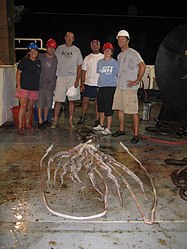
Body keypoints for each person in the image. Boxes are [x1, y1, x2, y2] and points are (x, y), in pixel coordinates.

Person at [112, 30, 146, 143]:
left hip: (129, 88)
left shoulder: (133, 53)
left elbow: (142, 66)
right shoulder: (119, 55)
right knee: (119, 108)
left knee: (133, 110)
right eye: (119, 39)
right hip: (120, 86)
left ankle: (136, 134)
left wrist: (137, 80)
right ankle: (121, 129)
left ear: (127, 40)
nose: (120, 41)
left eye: (123, 39)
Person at [51, 31, 83, 129]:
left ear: (73, 39)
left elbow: (79, 66)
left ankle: (70, 120)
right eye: (68, 36)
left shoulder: (77, 50)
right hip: (60, 76)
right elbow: (53, 60)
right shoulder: (59, 48)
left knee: (71, 101)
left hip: (72, 77)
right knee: (58, 100)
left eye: (72, 37)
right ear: (65, 37)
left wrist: (77, 80)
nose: (69, 38)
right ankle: (55, 121)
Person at [93, 42, 119, 135]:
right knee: (101, 107)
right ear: (103, 51)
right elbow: (99, 74)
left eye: (109, 50)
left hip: (110, 87)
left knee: (109, 107)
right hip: (101, 87)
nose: (107, 52)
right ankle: (101, 124)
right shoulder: (99, 62)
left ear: (112, 52)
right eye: (106, 50)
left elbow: (117, 75)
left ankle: (108, 127)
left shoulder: (115, 63)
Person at [15, 42, 41, 135]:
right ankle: (20, 126)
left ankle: (27, 124)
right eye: (31, 51)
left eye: (35, 50)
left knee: (30, 107)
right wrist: (18, 85)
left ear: (37, 52)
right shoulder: (24, 61)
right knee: (23, 105)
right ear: (29, 52)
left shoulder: (38, 62)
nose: (33, 52)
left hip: (34, 88)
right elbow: (18, 73)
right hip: (24, 87)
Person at [77, 40, 104, 126]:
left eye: (96, 45)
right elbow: (83, 71)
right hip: (88, 83)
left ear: (99, 46)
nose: (95, 47)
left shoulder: (103, 57)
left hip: (99, 84)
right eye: (93, 45)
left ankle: (97, 119)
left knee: (97, 102)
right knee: (85, 100)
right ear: (91, 46)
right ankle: (83, 116)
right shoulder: (87, 58)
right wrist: (82, 84)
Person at [36, 38, 58, 129]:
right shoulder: (41, 57)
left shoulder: (56, 58)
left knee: (47, 104)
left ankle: (45, 120)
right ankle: (40, 121)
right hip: (41, 85)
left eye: (53, 48)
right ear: (46, 48)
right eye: (49, 48)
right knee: (40, 104)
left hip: (51, 86)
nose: (51, 50)